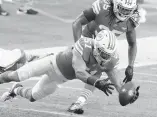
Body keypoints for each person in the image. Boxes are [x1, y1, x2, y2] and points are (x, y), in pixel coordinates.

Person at [1, 30, 139, 111]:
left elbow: (117, 84)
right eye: (103, 53)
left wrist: (128, 93)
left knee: (32, 96)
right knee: (17, 75)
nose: (105, 57)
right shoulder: (84, 44)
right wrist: (96, 82)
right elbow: (79, 71)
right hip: (50, 63)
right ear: (96, 47)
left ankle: (15, 90)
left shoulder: (110, 60)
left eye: (108, 54)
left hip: (59, 79)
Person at [69, 0, 146, 113]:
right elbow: (77, 22)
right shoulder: (102, 8)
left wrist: (130, 66)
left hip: (107, 50)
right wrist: (78, 46)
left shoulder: (131, 19)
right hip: (89, 42)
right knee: (67, 68)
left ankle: (80, 102)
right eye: (123, 8)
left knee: (102, 70)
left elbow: (132, 43)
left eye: (128, 10)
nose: (125, 12)